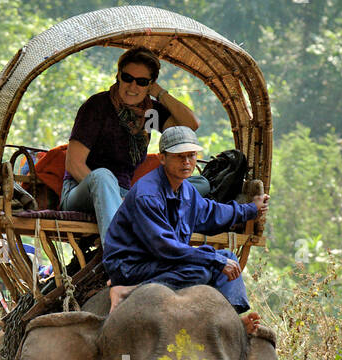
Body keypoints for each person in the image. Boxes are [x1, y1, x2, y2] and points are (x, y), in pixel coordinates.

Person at [103, 126, 270, 333]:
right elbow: (165, 247)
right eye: (179, 156)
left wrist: (251, 209)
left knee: (229, 257)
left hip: (162, 262)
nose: (187, 162)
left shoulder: (187, 190)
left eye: (191, 155)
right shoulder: (147, 194)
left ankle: (231, 322)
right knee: (201, 269)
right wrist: (213, 259)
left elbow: (212, 213)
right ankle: (126, 291)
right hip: (133, 266)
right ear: (162, 158)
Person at [59, 47, 200, 241]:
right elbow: (74, 164)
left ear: (150, 85)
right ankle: (118, 253)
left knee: (198, 184)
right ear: (118, 75)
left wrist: (159, 93)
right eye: (127, 78)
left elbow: (190, 126)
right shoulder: (98, 107)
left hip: (127, 194)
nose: (133, 86)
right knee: (103, 175)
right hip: (84, 190)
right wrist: (116, 198)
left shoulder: (150, 114)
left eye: (142, 82)